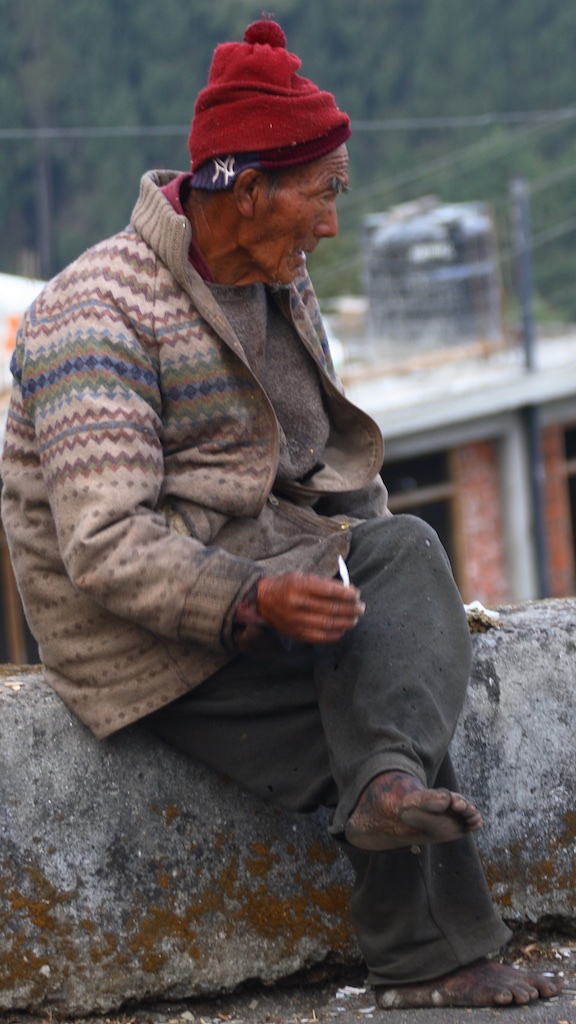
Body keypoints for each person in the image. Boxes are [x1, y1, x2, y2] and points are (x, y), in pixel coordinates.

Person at [0, 17, 564, 1011]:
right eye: (326, 192)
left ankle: (391, 809)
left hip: (280, 580)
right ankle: (423, 943)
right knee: (378, 710)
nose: (333, 223)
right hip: (149, 641)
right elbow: (102, 545)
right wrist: (255, 597)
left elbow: (332, 472)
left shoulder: (280, 280)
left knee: (404, 572)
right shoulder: (96, 311)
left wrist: (397, 604)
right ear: (249, 187)